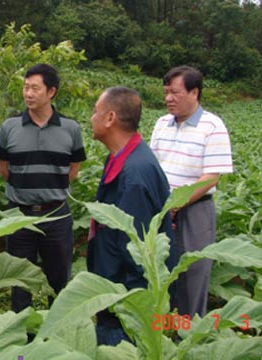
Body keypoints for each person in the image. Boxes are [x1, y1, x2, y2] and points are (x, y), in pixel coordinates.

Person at [0, 63, 86, 312]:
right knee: (19, 280)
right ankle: (20, 336)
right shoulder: (9, 127)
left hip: (56, 214)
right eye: (25, 88)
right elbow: (4, 167)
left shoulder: (71, 128)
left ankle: (56, 328)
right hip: (19, 215)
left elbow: (74, 167)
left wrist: (53, 188)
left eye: (35, 88)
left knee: (59, 278)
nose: (28, 93)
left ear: (51, 91)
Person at [87, 86, 173, 346]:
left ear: (110, 118)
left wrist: (134, 309)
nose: (91, 117)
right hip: (114, 289)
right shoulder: (122, 158)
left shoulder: (135, 174)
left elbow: (139, 252)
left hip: (124, 306)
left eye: (95, 111)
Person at [150, 66, 233, 318]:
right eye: (166, 92)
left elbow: (210, 178)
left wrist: (178, 204)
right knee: (159, 272)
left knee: (193, 273)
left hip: (195, 210)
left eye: (175, 92)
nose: (168, 99)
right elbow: (153, 166)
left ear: (194, 92)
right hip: (163, 208)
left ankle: (188, 337)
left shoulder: (212, 126)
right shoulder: (162, 123)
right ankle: (161, 334)